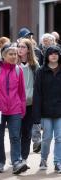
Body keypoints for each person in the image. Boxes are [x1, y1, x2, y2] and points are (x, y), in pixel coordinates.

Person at [0, 43, 27, 174]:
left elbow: (21, 91)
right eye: (11, 54)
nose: (14, 56)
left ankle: (16, 162)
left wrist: (22, 107)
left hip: (15, 109)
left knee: (15, 137)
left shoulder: (18, 69)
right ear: (4, 55)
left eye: (15, 54)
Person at [33, 45, 61, 173]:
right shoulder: (41, 71)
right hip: (46, 111)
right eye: (51, 53)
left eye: (56, 53)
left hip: (60, 111)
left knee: (60, 138)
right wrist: (36, 115)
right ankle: (43, 159)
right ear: (47, 56)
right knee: (47, 137)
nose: (54, 55)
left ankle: (58, 162)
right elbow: (37, 93)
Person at [17, 38, 40, 167]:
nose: (20, 49)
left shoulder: (35, 66)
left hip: (30, 105)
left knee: (26, 132)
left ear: (28, 50)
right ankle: (17, 157)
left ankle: (24, 158)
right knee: (16, 133)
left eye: (23, 47)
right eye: (19, 46)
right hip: (16, 104)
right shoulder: (14, 64)